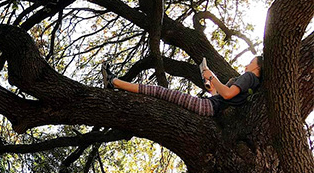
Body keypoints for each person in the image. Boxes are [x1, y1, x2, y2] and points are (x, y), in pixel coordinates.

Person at [102, 56, 263, 116]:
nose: (246, 66)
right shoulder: (253, 84)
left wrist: (211, 76)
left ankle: (114, 82)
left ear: (257, 67)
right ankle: (114, 82)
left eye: (250, 63)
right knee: (159, 94)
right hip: (211, 108)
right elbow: (222, 97)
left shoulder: (249, 77)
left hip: (207, 107)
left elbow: (227, 94)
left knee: (158, 91)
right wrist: (211, 87)